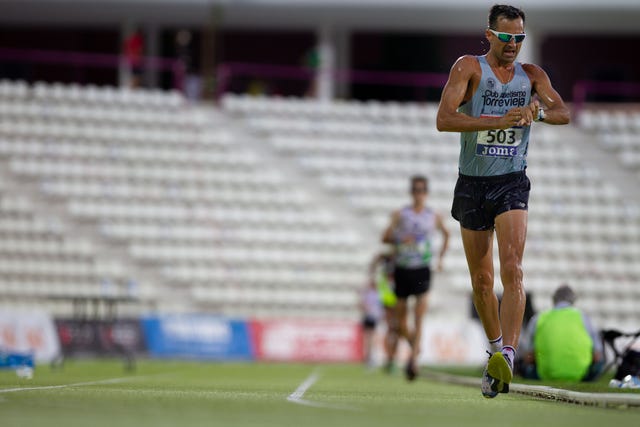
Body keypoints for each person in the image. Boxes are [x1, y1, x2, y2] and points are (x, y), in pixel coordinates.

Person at [436, 4, 570, 398]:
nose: (514, 46)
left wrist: (537, 113)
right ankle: (494, 352)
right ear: (490, 35)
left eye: (520, 39)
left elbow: (563, 110)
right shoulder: (469, 68)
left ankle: (508, 355)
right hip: (472, 183)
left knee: (513, 267)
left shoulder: (532, 76)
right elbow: (444, 119)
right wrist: (499, 121)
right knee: (482, 282)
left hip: (511, 182)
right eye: (507, 38)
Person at [382, 175, 449, 381]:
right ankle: (415, 346)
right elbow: (384, 237)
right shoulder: (401, 214)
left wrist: (440, 259)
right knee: (401, 322)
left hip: (422, 268)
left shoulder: (433, 216)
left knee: (419, 316)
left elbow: (446, 234)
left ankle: (413, 361)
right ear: (411, 192)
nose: (418, 194)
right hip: (402, 268)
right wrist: (402, 238)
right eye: (415, 190)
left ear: (426, 193)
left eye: (422, 190)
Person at [519, 285, 603, 382]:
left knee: (526, 367)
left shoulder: (539, 318)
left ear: (553, 300)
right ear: (573, 301)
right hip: (581, 376)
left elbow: (528, 357)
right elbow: (597, 355)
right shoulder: (584, 317)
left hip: (546, 375)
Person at [367, 252, 399, 373]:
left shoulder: (400, 259)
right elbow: (377, 259)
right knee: (391, 328)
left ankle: (391, 358)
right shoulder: (387, 258)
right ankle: (389, 358)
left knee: (395, 329)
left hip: (397, 298)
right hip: (388, 299)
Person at [359, 274, 384, 369]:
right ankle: (369, 357)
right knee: (369, 338)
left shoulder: (371, 294)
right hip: (371, 317)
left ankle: (369, 357)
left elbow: (363, 305)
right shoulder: (376, 294)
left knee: (369, 338)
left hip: (371, 317)